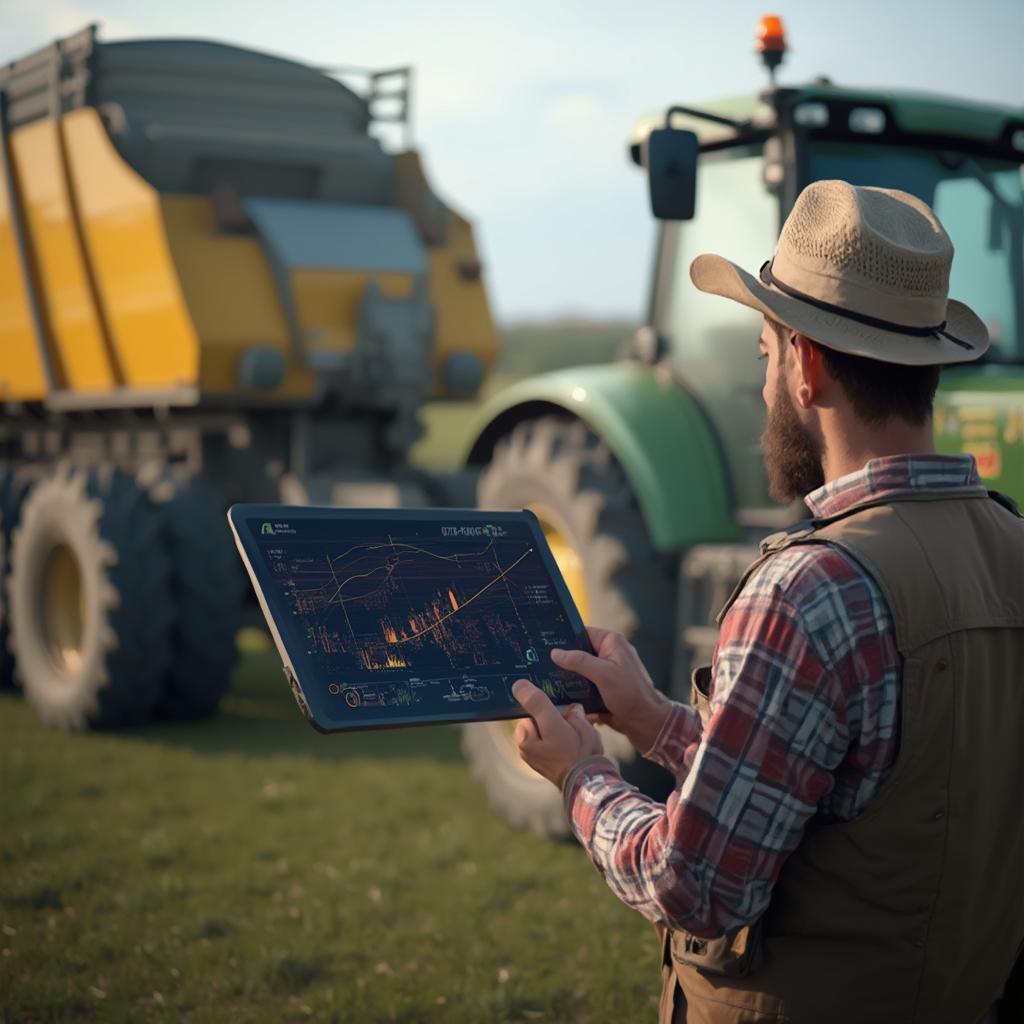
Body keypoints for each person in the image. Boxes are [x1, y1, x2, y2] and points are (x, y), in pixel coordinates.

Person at [511, 180, 1024, 1024]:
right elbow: (858, 794)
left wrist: (581, 775)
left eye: (763, 354)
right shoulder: (1011, 549)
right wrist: (650, 719)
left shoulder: (809, 591)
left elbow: (697, 884)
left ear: (806, 364)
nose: (762, 384)